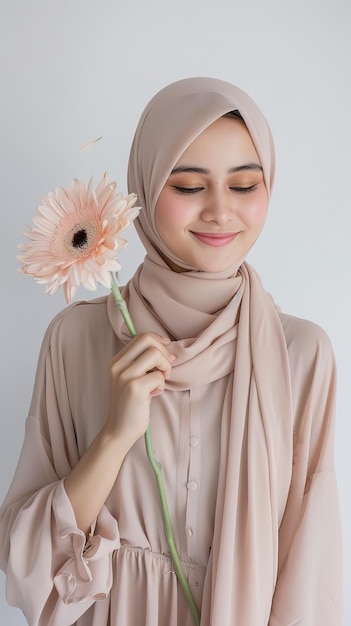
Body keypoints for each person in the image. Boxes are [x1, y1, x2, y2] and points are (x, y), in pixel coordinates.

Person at [0, 77, 343, 626]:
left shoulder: (301, 353)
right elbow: (28, 562)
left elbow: (310, 571)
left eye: (245, 185)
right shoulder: (74, 339)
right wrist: (114, 436)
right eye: (187, 186)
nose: (220, 212)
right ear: (145, 185)